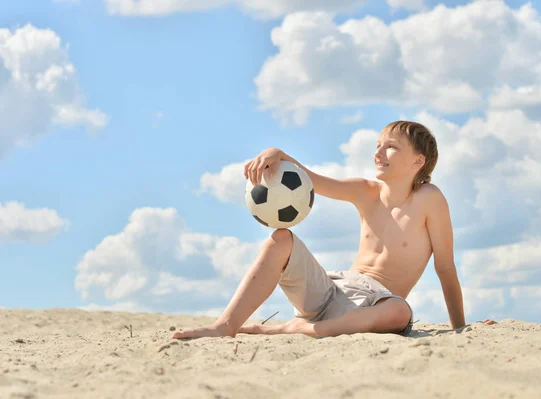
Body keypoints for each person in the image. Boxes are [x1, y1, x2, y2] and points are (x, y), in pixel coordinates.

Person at [173, 120, 466, 339]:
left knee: (401, 311)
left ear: (418, 161)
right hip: (332, 288)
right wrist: (277, 153)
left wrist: (460, 328)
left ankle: (303, 329)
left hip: (374, 305)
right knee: (282, 238)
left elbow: (445, 267)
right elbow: (311, 179)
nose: (379, 152)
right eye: (377, 145)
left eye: (391, 147)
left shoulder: (430, 199)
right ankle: (226, 325)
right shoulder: (366, 192)